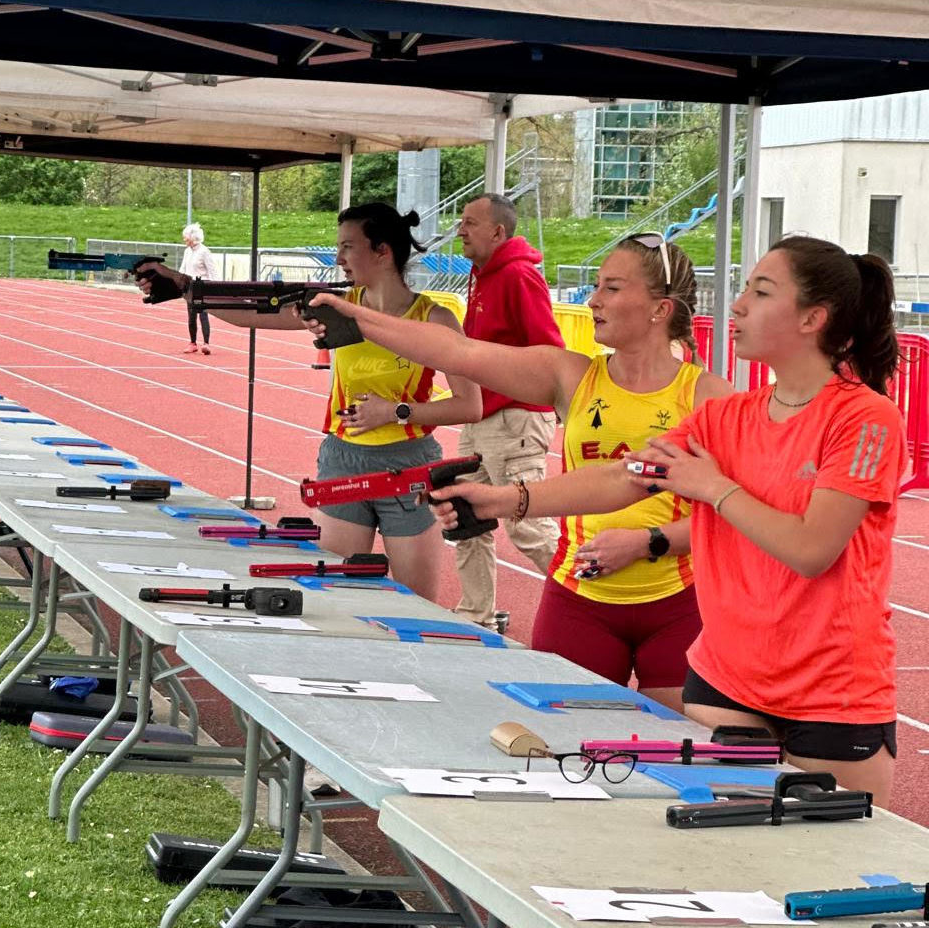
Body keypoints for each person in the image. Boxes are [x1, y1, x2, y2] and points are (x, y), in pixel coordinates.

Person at [422, 235, 904, 806]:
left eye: (760, 291)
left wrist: (714, 488)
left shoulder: (865, 418)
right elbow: (623, 477)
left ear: (812, 318)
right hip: (726, 683)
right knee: (720, 848)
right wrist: (502, 500)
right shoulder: (729, 415)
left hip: (830, 692)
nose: (737, 304)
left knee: (828, 853)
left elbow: (812, 549)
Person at [306, 233, 733, 712]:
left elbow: (729, 514)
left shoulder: (710, 397)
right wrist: (355, 316)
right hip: (580, 600)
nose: (592, 300)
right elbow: (456, 352)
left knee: (677, 749)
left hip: (677, 605)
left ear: (660, 309)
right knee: (564, 745)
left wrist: (648, 542)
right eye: (596, 285)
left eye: (611, 288)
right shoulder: (570, 374)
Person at [138, 203, 482, 601]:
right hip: (343, 460)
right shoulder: (335, 308)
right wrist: (184, 285)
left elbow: (470, 406)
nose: (338, 259)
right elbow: (252, 314)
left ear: (382, 251)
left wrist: (395, 412)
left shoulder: (435, 319)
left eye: (348, 247)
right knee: (335, 597)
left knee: (417, 605)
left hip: (409, 467)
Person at [452, 193, 564, 630]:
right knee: (465, 515)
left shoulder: (518, 275)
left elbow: (549, 346)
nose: (460, 229)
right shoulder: (482, 274)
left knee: (526, 524)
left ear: (497, 231)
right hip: (482, 414)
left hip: (514, 417)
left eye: (470, 222)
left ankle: (590, 601)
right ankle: (475, 612)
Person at [179, 223, 218, 355]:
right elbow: (183, 269)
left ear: (193, 237)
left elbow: (212, 270)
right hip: (190, 287)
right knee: (191, 316)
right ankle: (192, 343)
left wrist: (215, 287)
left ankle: (206, 343)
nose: (184, 239)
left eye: (186, 237)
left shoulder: (204, 251)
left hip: (202, 286)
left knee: (203, 315)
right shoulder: (187, 251)